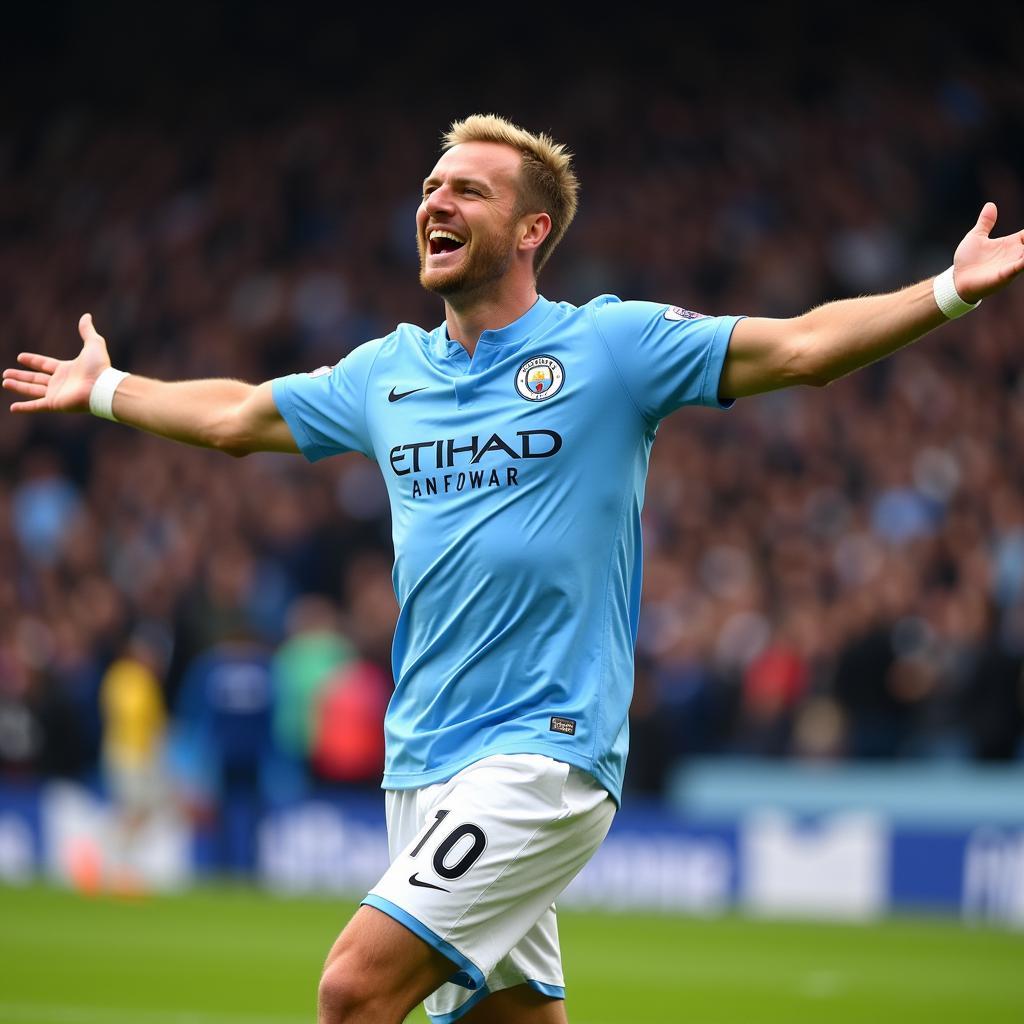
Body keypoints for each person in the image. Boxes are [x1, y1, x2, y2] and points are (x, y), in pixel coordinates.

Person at [5, 113, 1024, 1024]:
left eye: (466, 191)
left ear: (531, 229)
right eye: (428, 189)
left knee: (353, 988)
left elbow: (800, 346)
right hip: (424, 762)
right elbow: (237, 417)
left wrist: (943, 291)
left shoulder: (610, 348)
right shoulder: (386, 373)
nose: (434, 202)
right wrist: (110, 391)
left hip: (542, 752)